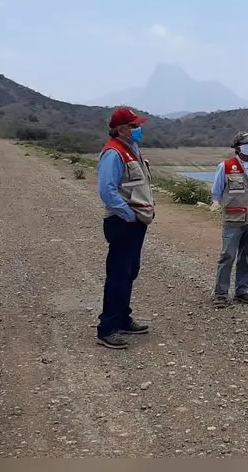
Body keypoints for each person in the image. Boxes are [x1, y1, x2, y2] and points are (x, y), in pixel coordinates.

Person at [94, 106, 155, 349]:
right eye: (134, 126)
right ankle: (107, 328)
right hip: (122, 222)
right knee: (118, 274)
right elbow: (106, 190)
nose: (138, 129)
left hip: (136, 221)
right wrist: (128, 214)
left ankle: (122, 318)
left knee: (130, 271)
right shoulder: (113, 153)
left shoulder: (132, 149)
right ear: (121, 129)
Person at [209, 131, 248, 308]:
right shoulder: (226, 166)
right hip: (234, 219)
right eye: (246, 143)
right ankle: (220, 293)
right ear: (237, 147)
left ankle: (242, 290)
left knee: (246, 256)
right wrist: (216, 203)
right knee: (227, 255)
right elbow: (217, 191)